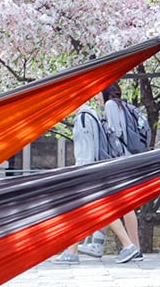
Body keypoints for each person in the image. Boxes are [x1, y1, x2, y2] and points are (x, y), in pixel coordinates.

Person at [52, 98, 141, 263]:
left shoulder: (84, 118)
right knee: (81, 210)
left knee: (104, 210)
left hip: (88, 173)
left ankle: (128, 245)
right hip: (95, 170)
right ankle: (71, 252)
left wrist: (80, 173)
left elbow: (86, 150)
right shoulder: (91, 114)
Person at [102, 83, 144, 263]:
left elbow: (115, 132)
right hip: (129, 158)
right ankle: (135, 248)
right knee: (125, 204)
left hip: (120, 159)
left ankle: (133, 248)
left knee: (122, 204)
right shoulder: (125, 105)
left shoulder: (110, 105)